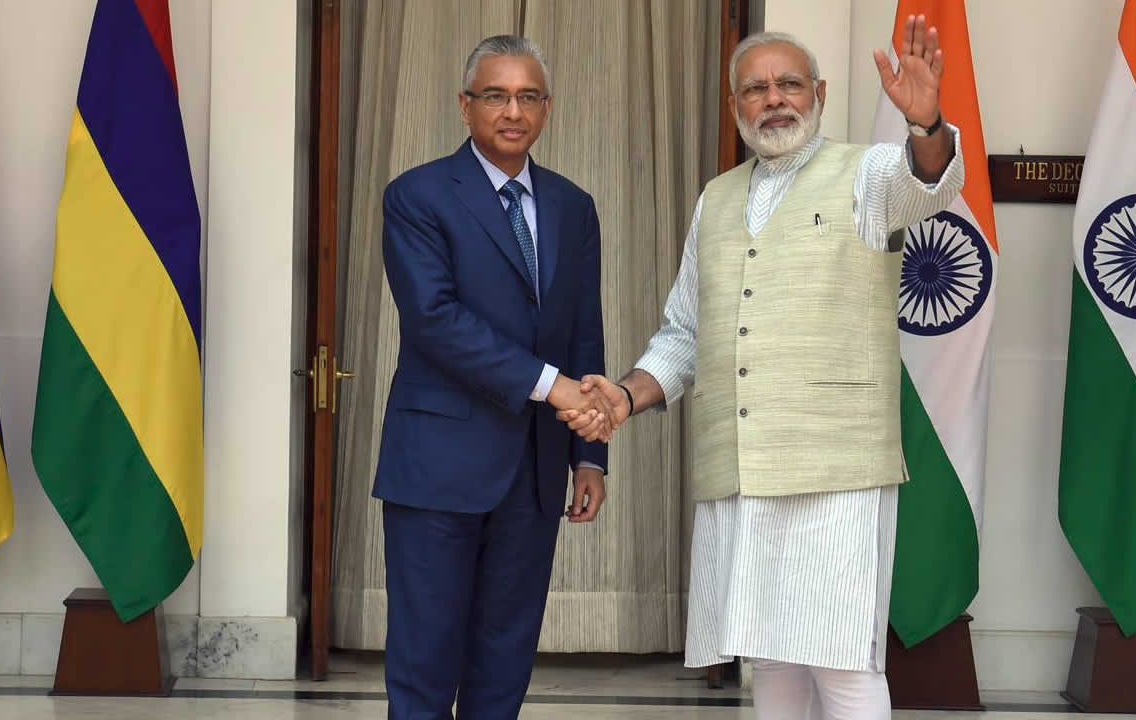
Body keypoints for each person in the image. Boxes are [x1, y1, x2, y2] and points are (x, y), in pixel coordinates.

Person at [559, 17, 965, 720]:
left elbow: (926, 185)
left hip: (835, 467)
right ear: (735, 106)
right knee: (770, 654)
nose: (774, 99)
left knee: (842, 658)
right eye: (755, 89)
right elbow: (686, 333)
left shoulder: (867, 173)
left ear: (820, 94)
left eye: (789, 84)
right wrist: (623, 397)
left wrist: (926, 124)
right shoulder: (716, 198)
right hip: (741, 467)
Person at [374, 34, 615, 720]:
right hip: (437, 467)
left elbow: (584, 330)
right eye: (496, 96)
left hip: (535, 473)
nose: (513, 111)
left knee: (504, 664)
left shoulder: (572, 206)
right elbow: (435, 320)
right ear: (466, 105)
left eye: (528, 96)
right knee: (424, 662)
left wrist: (589, 454)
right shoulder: (417, 195)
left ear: (547, 108)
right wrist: (551, 385)